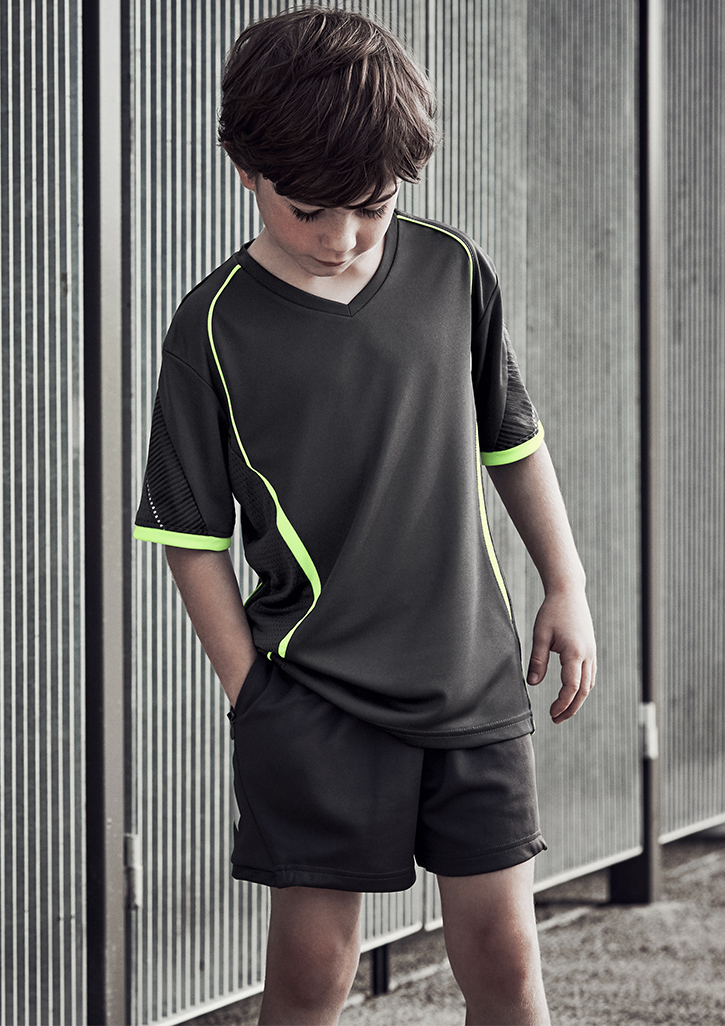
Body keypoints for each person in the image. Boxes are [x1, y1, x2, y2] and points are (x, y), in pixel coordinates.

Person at [134, 7, 596, 1024]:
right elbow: (190, 538)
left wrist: (563, 584)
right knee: (311, 976)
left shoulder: (451, 272)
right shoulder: (210, 328)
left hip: (470, 680)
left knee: (506, 958)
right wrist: (251, 692)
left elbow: (512, 441)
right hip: (314, 702)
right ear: (244, 169)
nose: (340, 238)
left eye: (372, 207)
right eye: (309, 210)